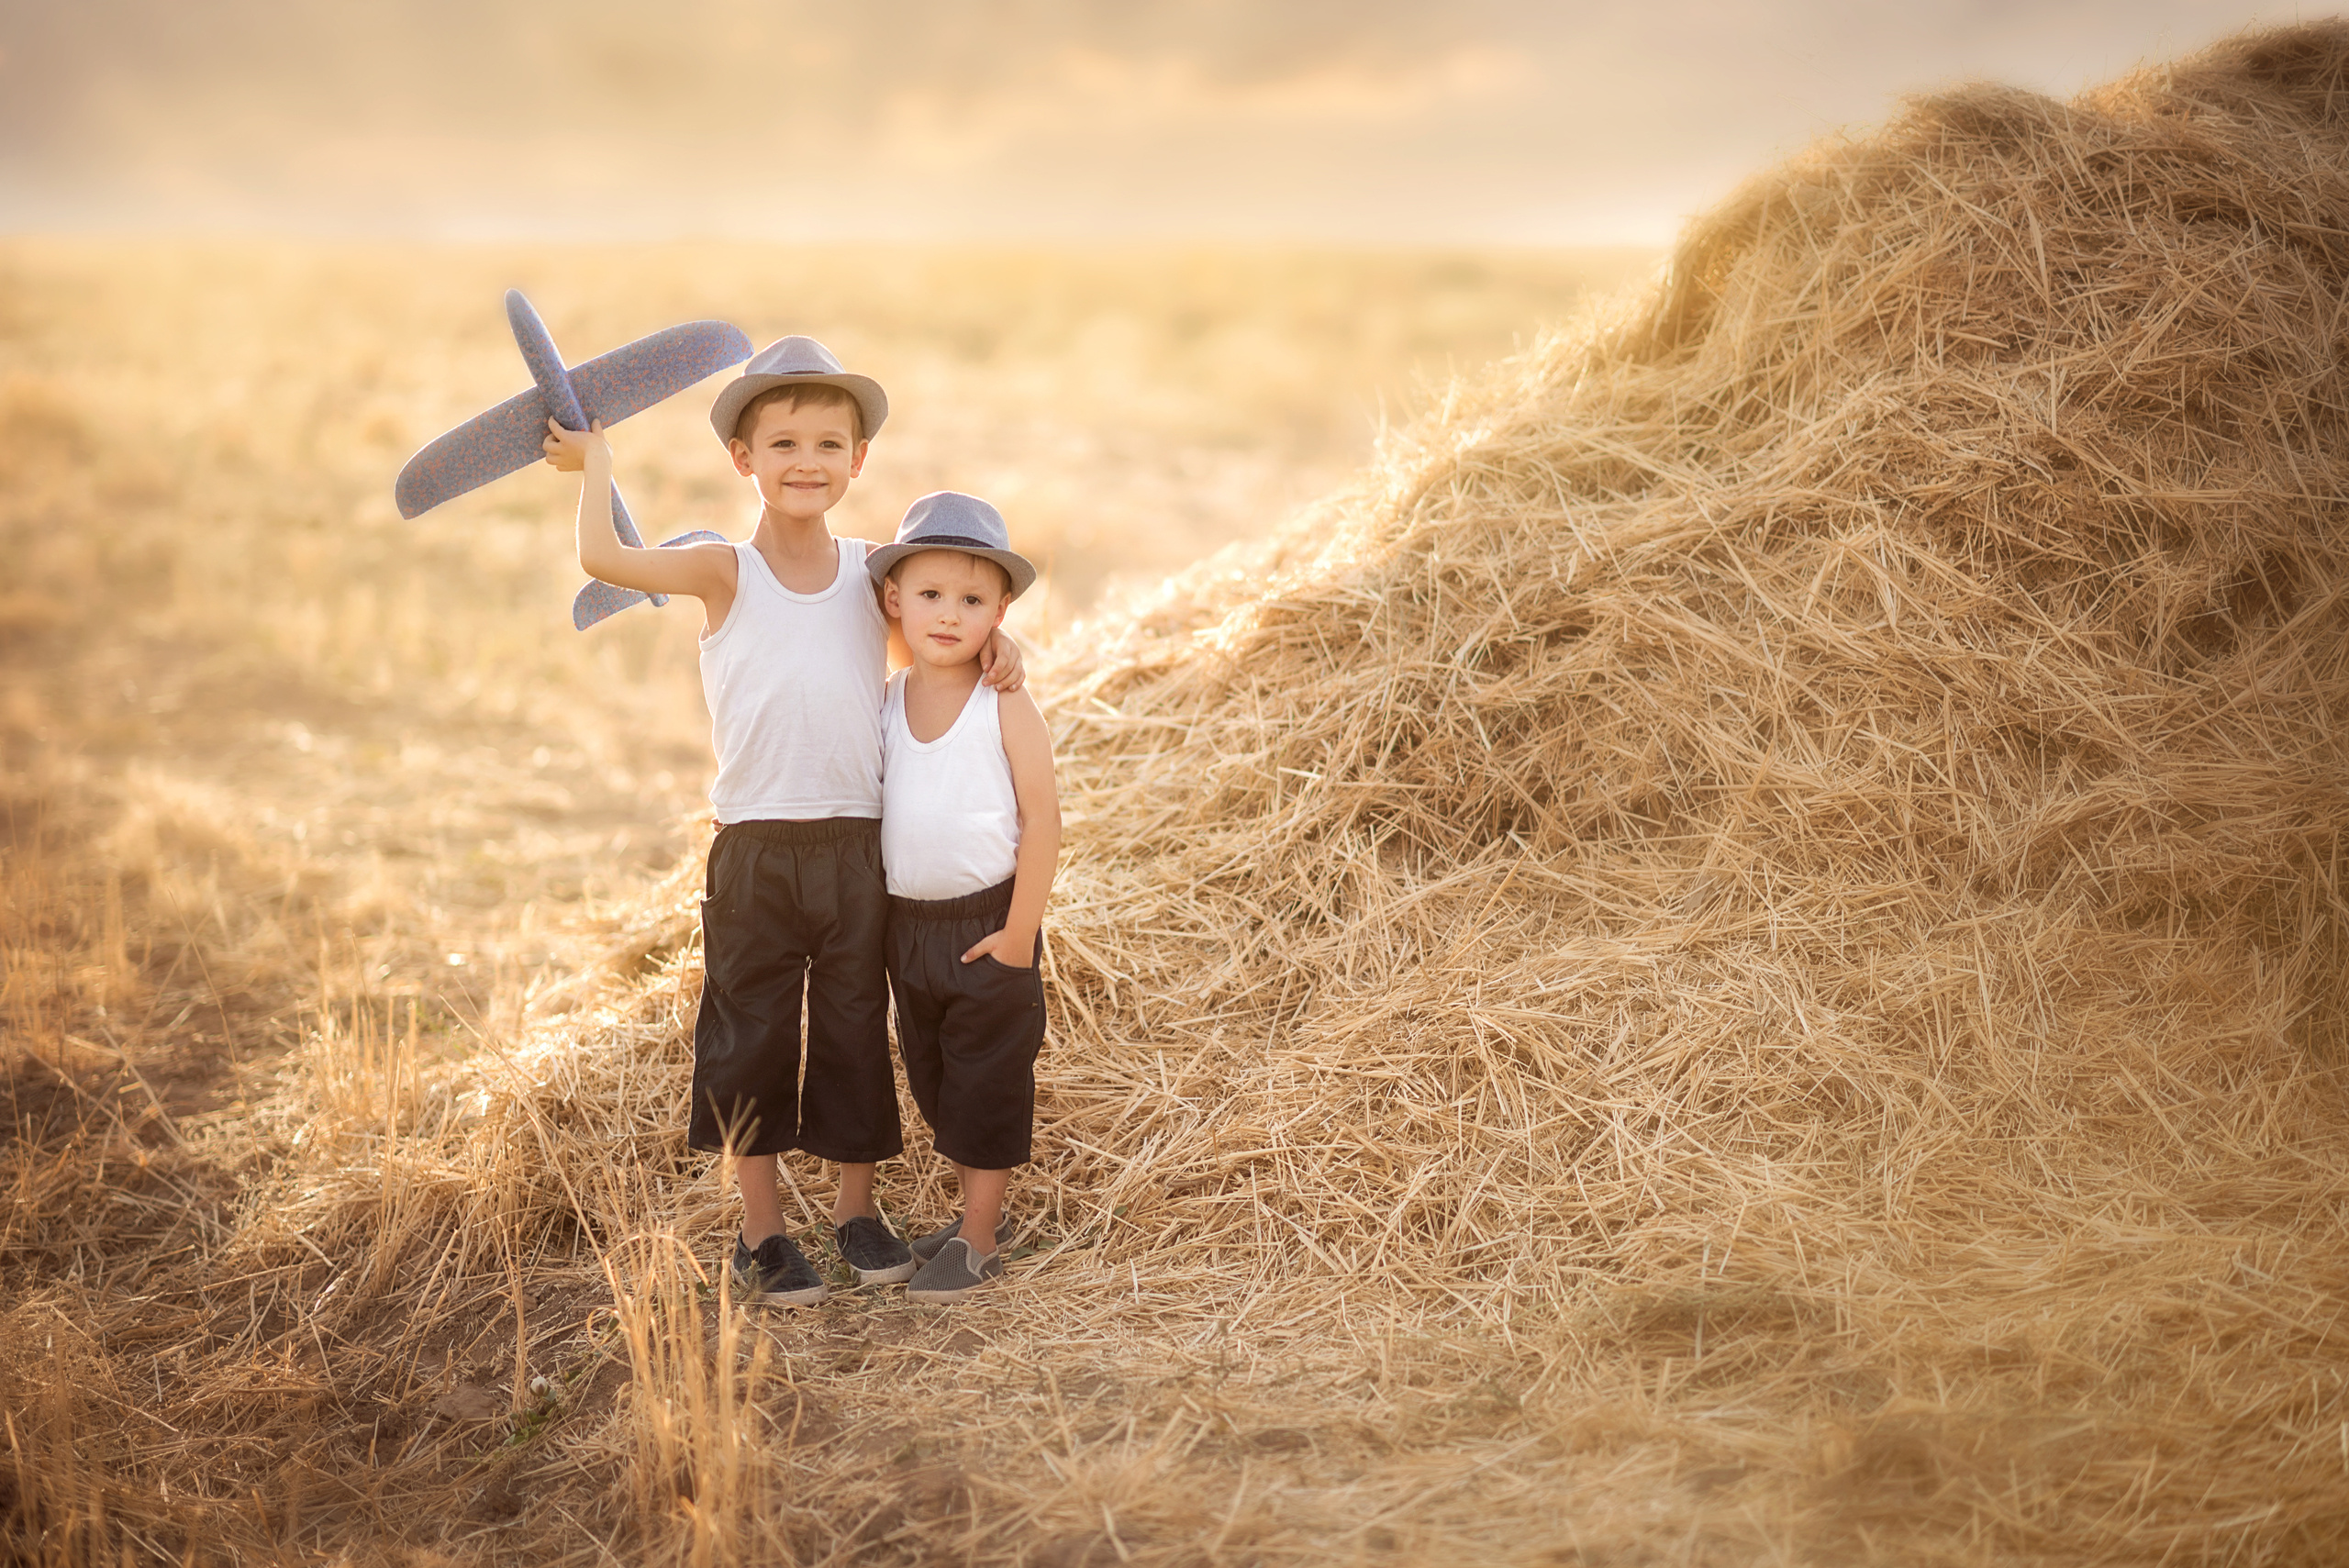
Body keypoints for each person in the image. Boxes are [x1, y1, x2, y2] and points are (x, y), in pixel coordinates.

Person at [540, 339, 1024, 1306]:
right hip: (757, 848)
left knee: (850, 1028)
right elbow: (605, 556)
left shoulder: (867, 575)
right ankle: (761, 1231)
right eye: (785, 442)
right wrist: (594, 465)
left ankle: (855, 1209)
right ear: (743, 460)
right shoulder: (721, 570)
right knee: (749, 1032)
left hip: (857, 844)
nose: (808, 460)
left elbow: (943, 620)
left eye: (830, 443)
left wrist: (996, 635)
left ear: (858, 463)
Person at [867, 493, 1062, 1303]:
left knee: (987, 1084)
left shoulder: (1004, 701)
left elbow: (1043, 817)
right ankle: (976, 1214)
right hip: (907, 928)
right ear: (895, 602)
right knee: (937, 1081)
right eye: (931, 596)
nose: (949, 615)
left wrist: (1020, 933)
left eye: (974, 602)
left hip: (988, 923)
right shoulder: (884, 700)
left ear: (1001, 612)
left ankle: (978, 1238)